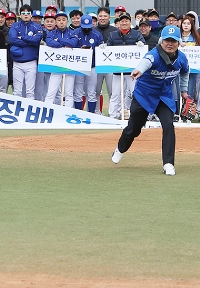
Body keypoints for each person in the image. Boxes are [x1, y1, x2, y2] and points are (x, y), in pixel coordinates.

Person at [111, 26, 189, 176]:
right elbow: (145, 62)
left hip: (164, 97)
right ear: (161, 41)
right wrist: (138, 70)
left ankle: (168, 163)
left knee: (168, 125)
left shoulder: (182, 59)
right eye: (167, 40)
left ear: (179, 43)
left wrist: (184, 91)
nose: (170, 43)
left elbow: (185, 72)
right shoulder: (154, 55)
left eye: (173, 41)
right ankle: (120, 148)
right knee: (134, 128)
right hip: (144, 96)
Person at [106, 12, 145, 118]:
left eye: (126, 20)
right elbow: (108, 48)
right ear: (119, 22)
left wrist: (141, 45)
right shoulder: (113, 35)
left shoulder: (136, 34)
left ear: (129, 21)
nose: (124, 23)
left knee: (135, 93)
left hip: (133, 71)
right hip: (117, 70)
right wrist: (104, 47)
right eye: (122, 21)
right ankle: (113, 114)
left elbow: (143, 45)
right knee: (115, 94)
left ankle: (137, 114)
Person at [68, 15, 104, 112]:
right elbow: (70, 47)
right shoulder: (75, 33)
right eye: (84, 27)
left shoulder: (97, 34)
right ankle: (78, 114)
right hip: (78, 66)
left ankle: (91, 114)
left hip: (92, 66)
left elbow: (101, 50)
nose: (86, 29)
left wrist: (94, 50)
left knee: (91, 92)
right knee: (78, 92)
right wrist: (80, 50)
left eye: (88, 27)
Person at [7, 5, 43, 99]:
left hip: (31, 62)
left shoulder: (37, 26)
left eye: (28, 13)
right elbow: (13, 40)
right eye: (23, 13)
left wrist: (22, 37)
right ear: (20, 15)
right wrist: (29, 41)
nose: (26, 15)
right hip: (17, 62)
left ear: (31, 15)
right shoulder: (15, 25)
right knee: (17, 91)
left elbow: (37, 40)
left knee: (30, 92)